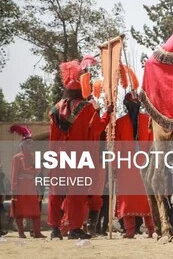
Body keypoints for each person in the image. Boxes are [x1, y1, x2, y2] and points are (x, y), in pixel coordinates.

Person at [48, 60, 112, 240]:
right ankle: (74, 228)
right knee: (76, 192)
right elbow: (97, 128)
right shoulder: (86, 108)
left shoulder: (54, 110)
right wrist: (107, 113)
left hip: (58, 156)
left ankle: (54, 229)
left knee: (56, 193)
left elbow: (52, 138)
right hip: (78, 157)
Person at [114, 92, 155, 238]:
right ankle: (152, 230)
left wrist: (114, 165)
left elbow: (117, 147)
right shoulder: (148, 120)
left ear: (125, 106)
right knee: (146, 199)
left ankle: (130, 231)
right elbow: (152, 145)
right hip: (144, 163)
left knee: (128, 199)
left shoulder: (119, 123)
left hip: (127, 166)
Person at [8, 125, 44, 238]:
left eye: (31, 143)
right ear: (23, 145)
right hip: (21, 187)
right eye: (28, 143)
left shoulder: (34, 156)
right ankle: (21, 233)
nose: (30, 145)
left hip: (31, 186)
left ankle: (37, 232)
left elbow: (38, 170)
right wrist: (14, 189)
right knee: (19, 211)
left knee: (35, 211)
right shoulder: (17, 157)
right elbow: (14, 174)